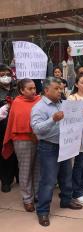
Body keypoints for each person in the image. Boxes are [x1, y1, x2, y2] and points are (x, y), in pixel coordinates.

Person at [31, 77, 83, 227]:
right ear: (46, 90)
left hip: (65, 145)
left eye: (61, 88)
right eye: (56, 89)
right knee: (48, 181)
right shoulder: (39, 107)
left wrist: (81, 114)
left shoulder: (63, 104)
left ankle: (66, 201)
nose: (60, 91)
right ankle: (42, 211)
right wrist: (52, 119)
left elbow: (70, 122)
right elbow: (36, 128)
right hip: (49, 147)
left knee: (67, 176)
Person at [2, 79, 41, 212]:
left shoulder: (39, 100)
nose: (33, 91)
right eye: (29, 89)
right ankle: (27, 199)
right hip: (22, 140)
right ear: (21, 90)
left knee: (37, 168)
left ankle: (37, 194)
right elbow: (18, 123)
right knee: (25, 170)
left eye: (34, 88)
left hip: (39, 139)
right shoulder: (17, 103)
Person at [68, 75, 83, 204]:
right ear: (76, 84)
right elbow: (69, 115)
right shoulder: (72, 98)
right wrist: (80, 114)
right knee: (78, 164)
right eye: (82, 82)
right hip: (77, 136)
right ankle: (76, 191)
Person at [0, 64, 19, 192]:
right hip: (2, 128)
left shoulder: (17, 89)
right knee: (5, 153)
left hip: (17, 127)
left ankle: (18, 176)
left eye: (8, 74)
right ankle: (6, 180)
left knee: (19, 153)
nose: (6, 77)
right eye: (2, 75)